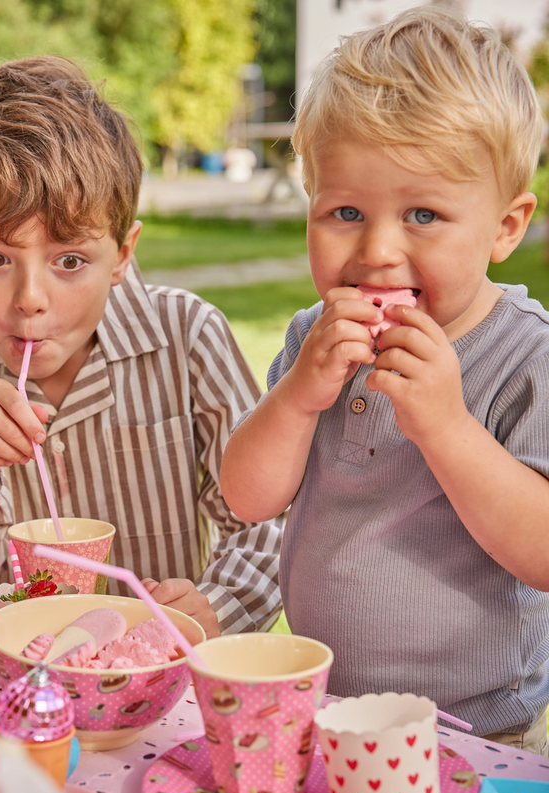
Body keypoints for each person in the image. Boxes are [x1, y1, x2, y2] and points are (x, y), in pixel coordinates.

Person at [221, 7, 549, 751]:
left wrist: (447, 425)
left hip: (477, 729)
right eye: (345, 211)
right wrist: (299, 394)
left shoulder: (527, 358)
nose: (377, 251)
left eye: (424, 214)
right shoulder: (315, 340)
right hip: (326, 713)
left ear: (505, 226)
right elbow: (247, 495)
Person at [0, 56, 284, 640]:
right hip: (14, 688)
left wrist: (217, 603)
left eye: (69, 261)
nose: (30, 299)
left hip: (157, 680)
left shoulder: (187, 339)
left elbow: (268, 522)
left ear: (123, 254)